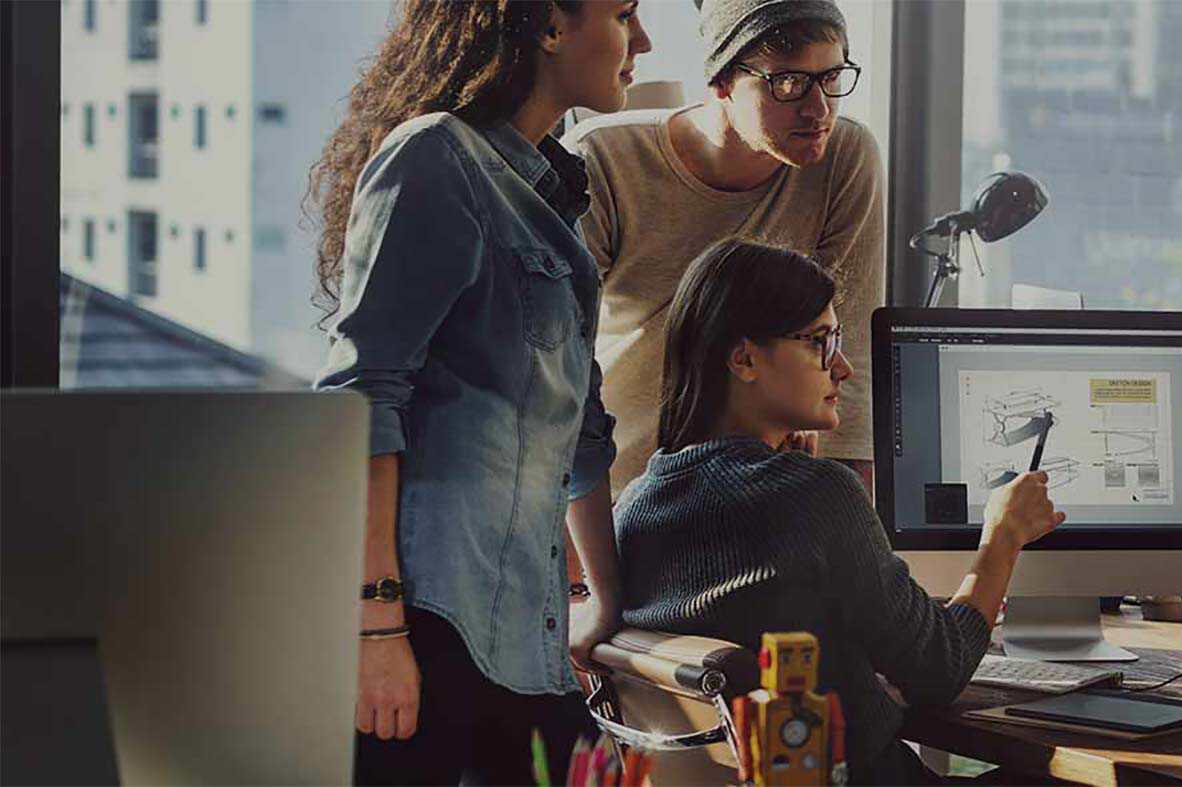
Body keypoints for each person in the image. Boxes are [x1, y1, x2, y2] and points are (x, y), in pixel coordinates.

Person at [306, 0, 651, 781]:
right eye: (625, 14)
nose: (643, 41)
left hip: (528, 641)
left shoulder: (554, 192)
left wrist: (603, 604)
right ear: (550, 25)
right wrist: (376, 630)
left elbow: (583, 433)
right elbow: (362, 396)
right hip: (428, 626)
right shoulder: (435, 159)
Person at [612, 239, 1063, 784]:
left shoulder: (634, 506)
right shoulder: (814, 494)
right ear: (744, 358)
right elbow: (939, 670)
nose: (843, 368)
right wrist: (1003, 536)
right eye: (821, 342)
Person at [569, 0, 885, 496]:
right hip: (618, 491)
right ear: (720, 82)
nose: (819, 109)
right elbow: (560, 370)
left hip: (762, 496)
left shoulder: (845, 156)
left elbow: (852, 353)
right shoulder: (604, 160)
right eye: (789, 83)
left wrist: (853, 518)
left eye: (831, 78)